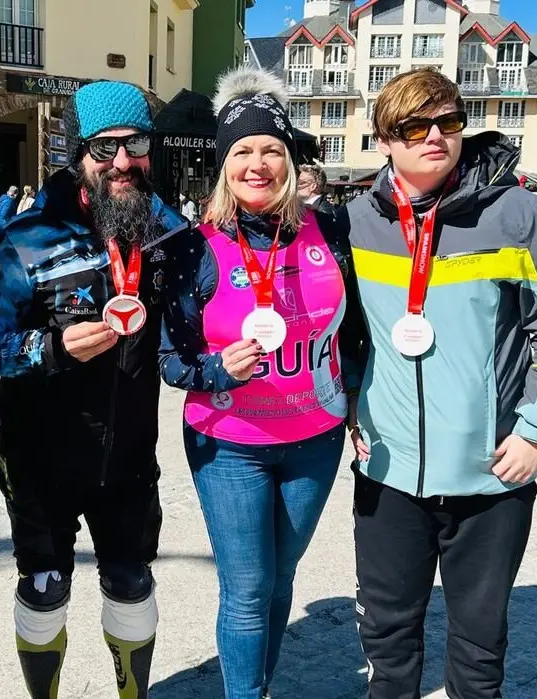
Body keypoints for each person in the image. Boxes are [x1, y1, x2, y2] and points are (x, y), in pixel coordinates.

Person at [343, 68, 537, 699]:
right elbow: (341, 334)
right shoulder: (355, 222)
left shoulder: (518, 215)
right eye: (415, 127)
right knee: (387, 639)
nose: (436, 137)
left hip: (490, 473)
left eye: (449, 122)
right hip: (388, 471)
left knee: (479, 646)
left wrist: (536, 432)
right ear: (384, 139)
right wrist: (351, 412)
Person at [158, 67, 364, 699]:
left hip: (316, 437)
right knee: (247, 591)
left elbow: (355, 330)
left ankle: (262, 686)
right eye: (242, 151)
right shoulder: (193, 248)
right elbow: (171, 360)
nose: (257, 163)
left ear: (289, 159)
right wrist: (220, 368)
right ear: (223, 164)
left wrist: (355, 402)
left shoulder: (331, 231)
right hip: (231, 444)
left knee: (280, 582)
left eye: (271, 149)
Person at [0, 80, 185, 699]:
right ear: (78, 154)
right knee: (45, 588)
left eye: (136, 145)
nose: (123, 163)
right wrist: (49, 349)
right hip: (39, 458)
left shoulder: (168, 233)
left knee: (131, 583)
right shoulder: (27, 237)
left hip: (128, 456)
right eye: (105, 149)